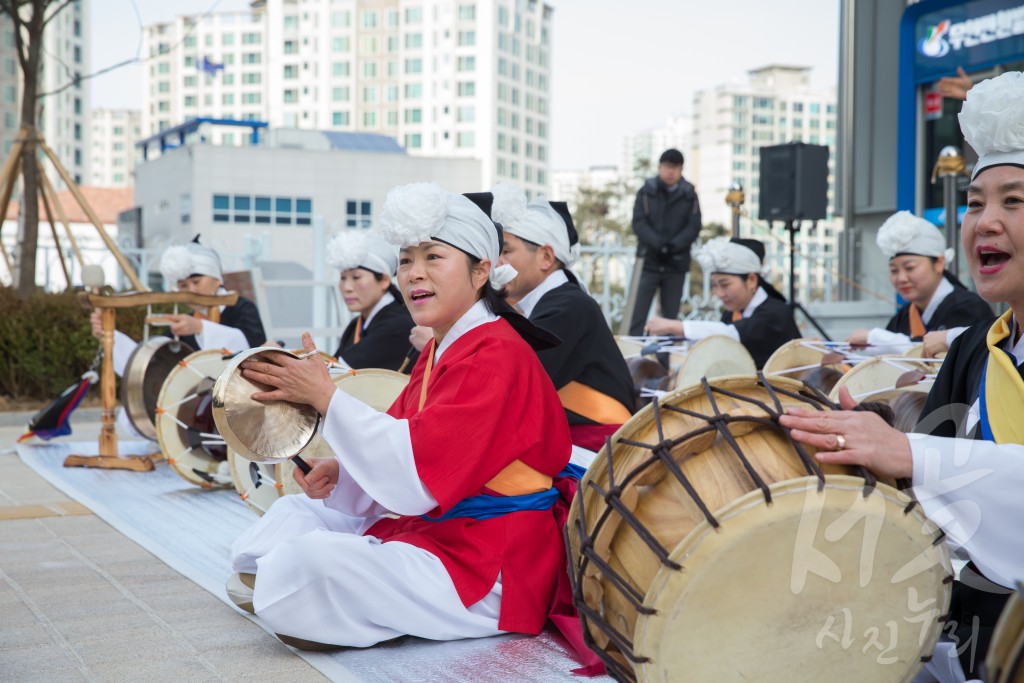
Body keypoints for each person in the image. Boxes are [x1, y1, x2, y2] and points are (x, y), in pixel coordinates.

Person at [227, 182, 581, 654]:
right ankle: (317, 594)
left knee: (307, 562)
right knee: (293, 513)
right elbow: (406, 439)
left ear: (481, 271)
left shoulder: (495, 353)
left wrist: (327, 399)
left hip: (493, 564)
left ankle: (314, 594)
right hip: (447, 530)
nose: (415, 273)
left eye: (433, 257)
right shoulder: (445, 344)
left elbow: (416, 472)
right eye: (406, 259)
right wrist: (345, 473)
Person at [779, 71, 1024, 683]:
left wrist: (912, 452)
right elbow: (933, 482)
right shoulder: (977, 347)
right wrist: (873, 434)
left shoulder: (963, 329)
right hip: (972, 632)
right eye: (975, 203)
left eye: (1013, 202)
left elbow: (929, 457)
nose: (985, 222)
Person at [492, 183, 635, 452]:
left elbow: (515, 384)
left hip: (600, 445)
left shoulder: (569, 306)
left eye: (506, 251)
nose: (496, 263)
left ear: (546, 256)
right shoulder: (556, 302)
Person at [90, 237, 267, 378]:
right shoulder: (186, 323)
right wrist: (110, 336)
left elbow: (255, 352)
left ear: (217, 278)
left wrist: (199, 328)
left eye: (196, 282)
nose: (191, 290)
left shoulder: (243, 309)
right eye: (183, 286)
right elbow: (151, 365)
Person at [846, 211, 991, 357]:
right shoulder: (903, 316)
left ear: (939, 263)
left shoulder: (969, 308)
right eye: (894, 270)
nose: (901, 278)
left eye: (910, 268)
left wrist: (877, 339)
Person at [644, 236, 801, 369]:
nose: (719, 293)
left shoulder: (776, 313)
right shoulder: (731, 314)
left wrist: (675, 326)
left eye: (725, 284)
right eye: (715, 285)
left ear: (752, 280)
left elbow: (731, 334)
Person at [627, 148, 702, 335]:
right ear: (659, 167)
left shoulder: (689, 194)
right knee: (637, 315)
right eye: (667, 167)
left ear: (681, 170)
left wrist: (673, 246)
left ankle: (665, 360)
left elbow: (694, 226)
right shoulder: (645, 192)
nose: (670, 172)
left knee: (670, 318)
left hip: (676, 264)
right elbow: (638, 223)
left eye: (675, 168)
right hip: (648, 261)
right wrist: (658, 243)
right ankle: (632, 358)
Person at [327, 228, 414, 371]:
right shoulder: (357, 324)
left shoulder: (398, 325)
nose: (347, 287)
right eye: (343, 278)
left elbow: (336, 373)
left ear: (385, 280)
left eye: (356, 277)